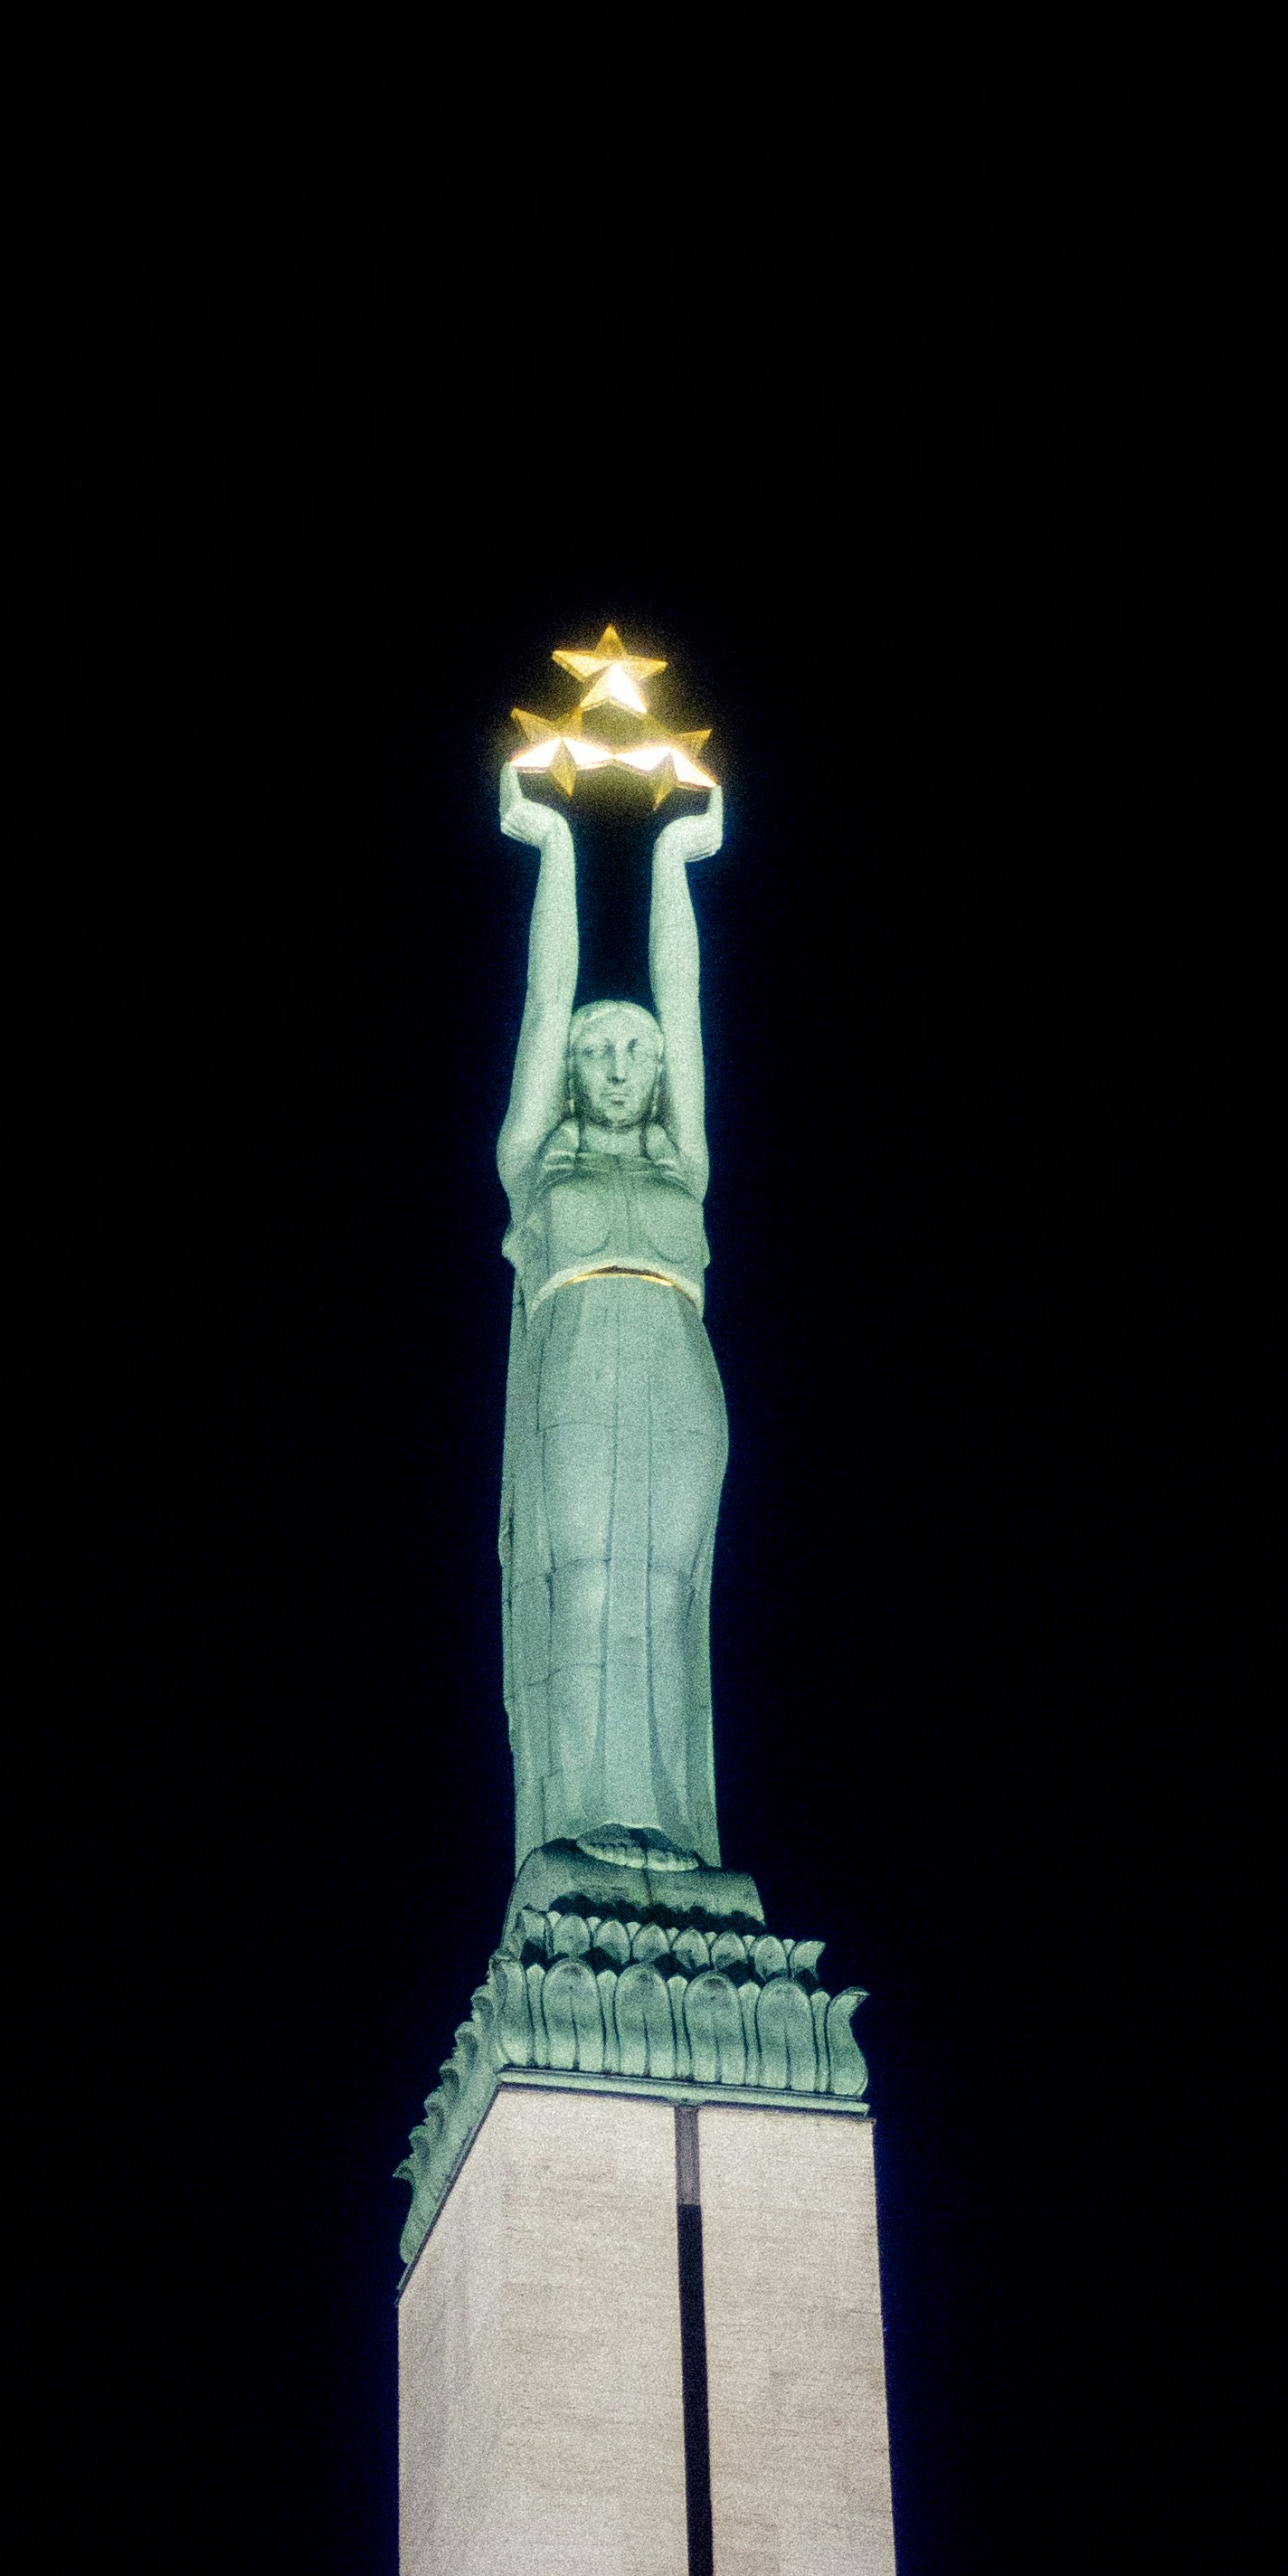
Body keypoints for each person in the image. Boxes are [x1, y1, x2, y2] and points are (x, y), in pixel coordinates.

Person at [493, 771, 730, 1871]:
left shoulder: (686, 1167)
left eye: (637, 1051)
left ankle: (671, 1824)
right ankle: (587, 1816)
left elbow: (684, 1006)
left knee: (668, 1594)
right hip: (578, 1361)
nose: (622, 1063)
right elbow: (549, 1001)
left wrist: (678, 864)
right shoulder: (536, 1167)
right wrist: (555, 847)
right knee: (586, 1580)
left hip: (677, 1367)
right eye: (601, 1051)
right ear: (572, 1074)